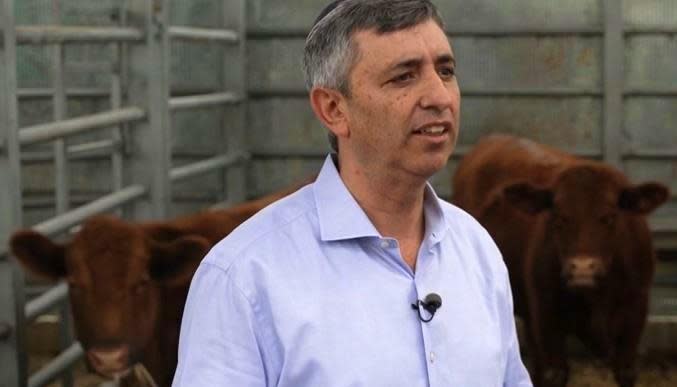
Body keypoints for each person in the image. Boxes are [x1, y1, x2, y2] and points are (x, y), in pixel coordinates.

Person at [172, 1, 533, 386]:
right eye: (404, 77)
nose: (440, 97)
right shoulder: (244, 278)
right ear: (333, 109)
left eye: (446, 71)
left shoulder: (477, 250)